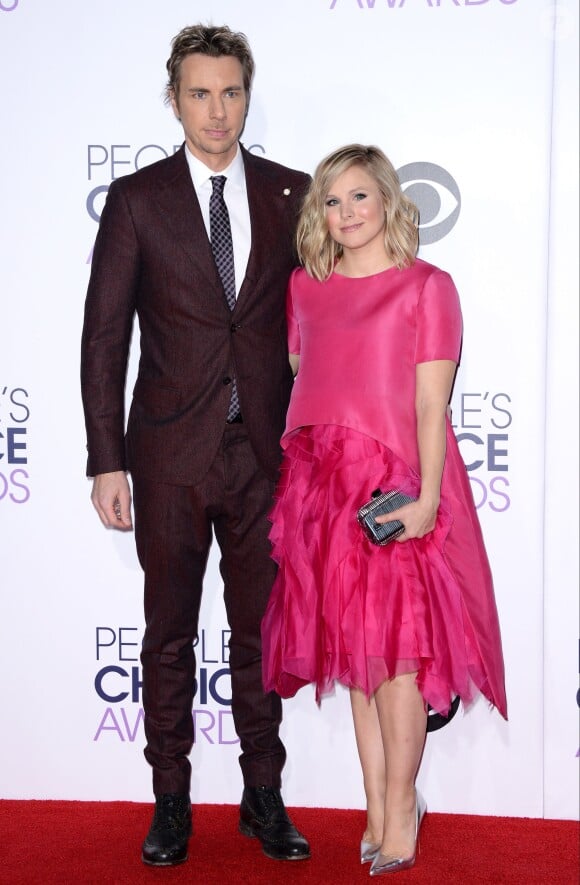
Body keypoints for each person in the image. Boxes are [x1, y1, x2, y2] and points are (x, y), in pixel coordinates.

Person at [81, 24, 311, 867]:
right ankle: (170, 799)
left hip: (264, 461)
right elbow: (105, 337)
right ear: (174, 98)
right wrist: (107, 458)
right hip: (168, 457)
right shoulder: (138, 201)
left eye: (232, 92)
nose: (218, 112)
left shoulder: (292, 196)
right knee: (168, 634)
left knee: (260, 637)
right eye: (200, 93)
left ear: (249, 95)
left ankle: (263, 794)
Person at [261, 144, 507, 876]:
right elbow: (307, 375)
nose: (346, 213)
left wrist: (428, 497)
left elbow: (433, 402)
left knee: (397, 660)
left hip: (392, 486)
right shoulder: (306, 287)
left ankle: (402, 805)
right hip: (321, 488)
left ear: (389, 201)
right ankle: (376, 803)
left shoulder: (428, 287)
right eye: (332, 201)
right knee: (358, 661)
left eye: (360, 197)